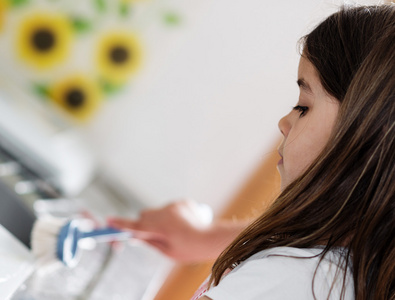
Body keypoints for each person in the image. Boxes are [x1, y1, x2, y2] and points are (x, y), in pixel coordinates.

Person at [108, 4, 395, 299]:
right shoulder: (343, 273)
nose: (284, 122)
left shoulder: (290, 279)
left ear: (367, 137)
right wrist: (202, 237)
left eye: (304, 107)